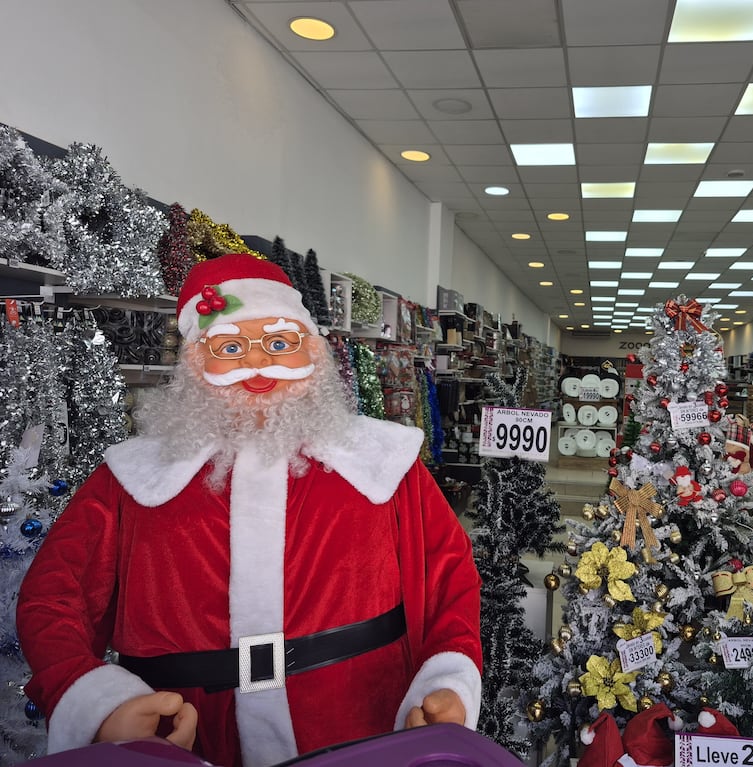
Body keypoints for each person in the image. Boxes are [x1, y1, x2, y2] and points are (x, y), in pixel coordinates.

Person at [17, 254, 483, 767]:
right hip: (189, 741)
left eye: (279, 344)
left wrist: (449, 680)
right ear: (195, 363)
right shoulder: (132, 477)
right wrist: (102, 703)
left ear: (313, 352)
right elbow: (53, 598)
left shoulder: (384, 461)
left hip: (359, 733)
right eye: (231, 348)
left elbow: (450, 578)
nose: (258, 363)